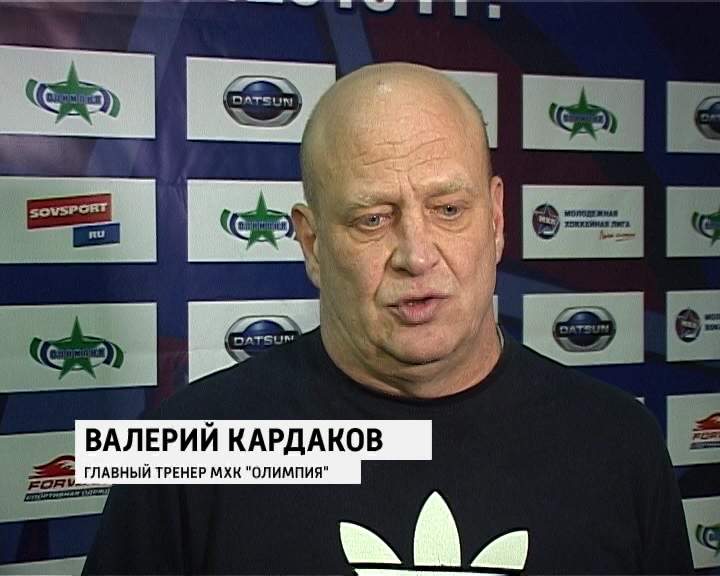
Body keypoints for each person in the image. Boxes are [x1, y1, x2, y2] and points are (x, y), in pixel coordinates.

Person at [84, 63, 693, 575]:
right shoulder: (189, 451)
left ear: (497, 218)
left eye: (448, 209)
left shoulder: (621, 444)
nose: (417, 255)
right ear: (312, 243)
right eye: (372, 219)